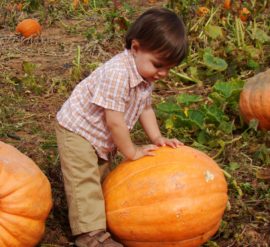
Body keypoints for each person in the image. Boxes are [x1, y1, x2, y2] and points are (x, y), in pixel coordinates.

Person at [55, 7, 188, 247]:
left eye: (169, 68)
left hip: (98, 134)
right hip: (78, 130)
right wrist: (132, 151)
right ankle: (89, 236)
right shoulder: (117, 74)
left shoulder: (145, 75)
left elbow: (145, 108)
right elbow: (114, 121)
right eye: (159, 65)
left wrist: (157, 137)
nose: (164, 74)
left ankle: (94, 215)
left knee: (98, 177)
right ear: (135, 48)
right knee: (84, 179)